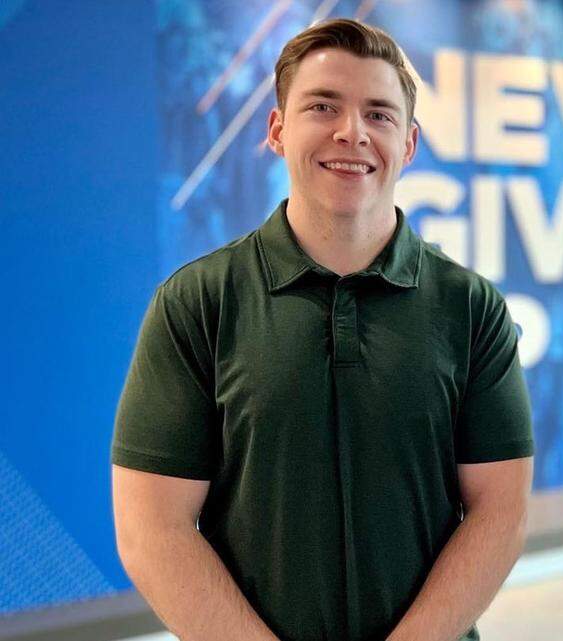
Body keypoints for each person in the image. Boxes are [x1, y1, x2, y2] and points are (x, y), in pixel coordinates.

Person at [111, 19, 533, 641]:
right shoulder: (197, 303)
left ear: (409, 144)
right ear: (278, 130)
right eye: (323, 106)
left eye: (379, 114)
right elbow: (153, 531)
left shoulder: (471, 309)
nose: (352, 132)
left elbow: (500, 514)